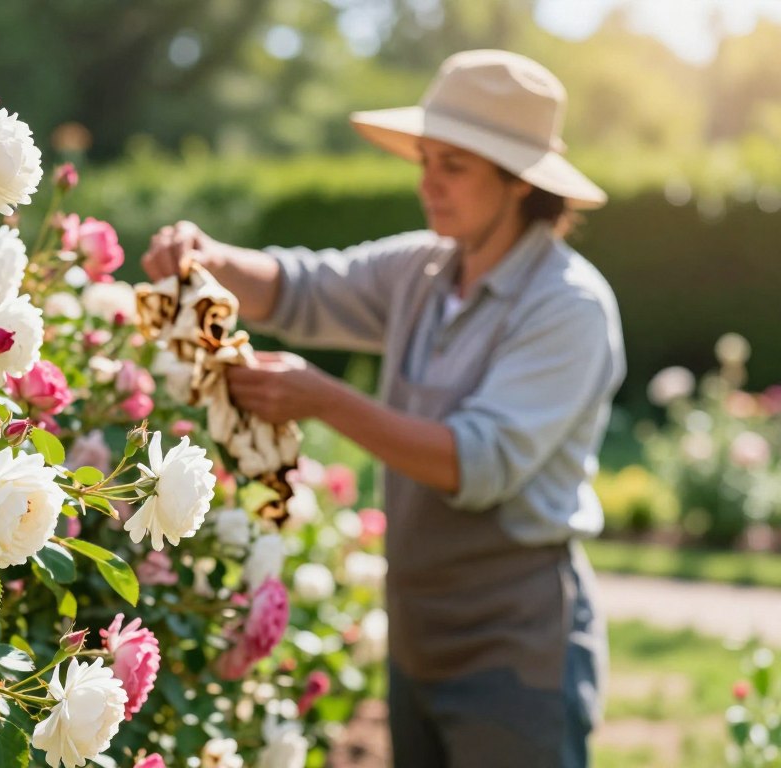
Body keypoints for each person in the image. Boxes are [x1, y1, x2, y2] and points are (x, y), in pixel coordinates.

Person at [142, 50, 625, 767]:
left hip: (516, 644)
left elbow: (477, 463)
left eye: (453, 165)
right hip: (418, 628)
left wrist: (324, 400)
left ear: (519, 182)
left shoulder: (568, 306)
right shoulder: (424, 269)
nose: (428, 182)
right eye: (425, 159)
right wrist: (209, 256)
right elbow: (302, 289)